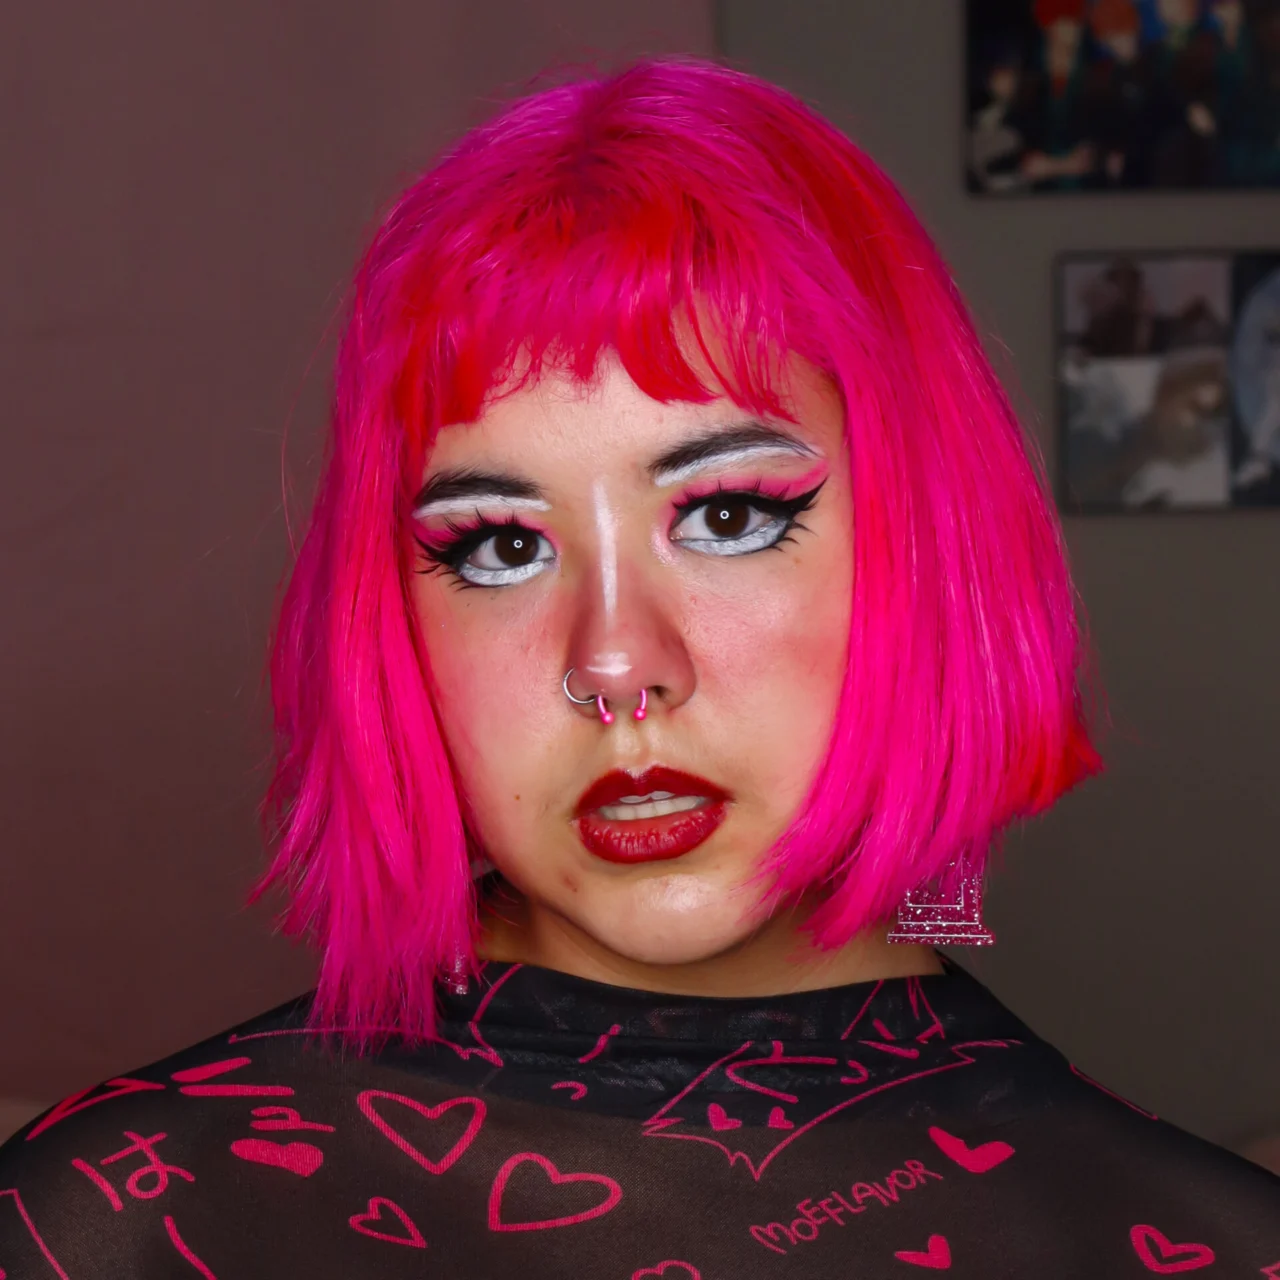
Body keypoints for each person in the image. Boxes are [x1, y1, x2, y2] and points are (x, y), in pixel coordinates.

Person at [1, 57, 1276, 1279]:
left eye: (725, 516)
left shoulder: (1208, 1242)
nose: (613, 663)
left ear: (929, 549)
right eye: (501, 545)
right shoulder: (127, 1218)